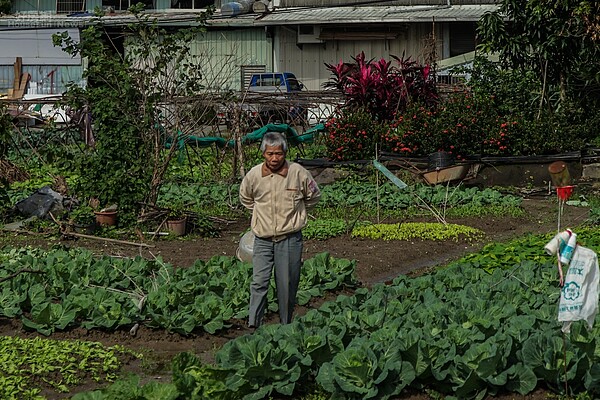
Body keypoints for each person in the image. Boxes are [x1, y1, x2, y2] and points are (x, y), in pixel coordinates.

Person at [239, 132, 321, 328]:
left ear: (285, 152)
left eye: (278, 153)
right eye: (270, 154)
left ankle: (286, 324)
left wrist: (297, 213)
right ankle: (254, 325)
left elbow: (314, 195)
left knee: (286, 285)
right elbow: (245, 198)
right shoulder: (253, 176)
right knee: (259, 283)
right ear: (263, 154)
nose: (274, 158)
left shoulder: (298, 173)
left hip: (290, 239)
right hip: (263, 239)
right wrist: (261, 214)